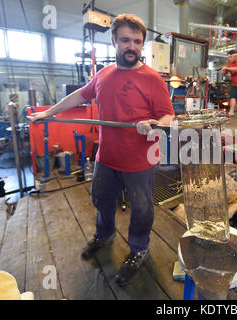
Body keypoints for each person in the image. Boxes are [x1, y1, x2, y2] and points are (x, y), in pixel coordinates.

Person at [28, 14, 175, 287]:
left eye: (137, 42)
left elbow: (168, 116)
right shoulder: (103, 75)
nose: (131, 46)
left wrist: (156, 124)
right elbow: (79, 96)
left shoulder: (152, 79)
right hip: (106, 159)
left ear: (142, 44)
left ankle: (139, 248)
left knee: (142, 210)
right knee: (101, 201)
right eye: (125, 40)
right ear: (114, 41)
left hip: (140, 161)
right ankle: (104, 234)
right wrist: (47, 112)